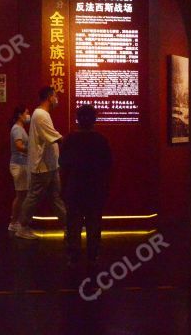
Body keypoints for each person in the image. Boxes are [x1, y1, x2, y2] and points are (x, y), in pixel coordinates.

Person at [60, 104, 113, 267]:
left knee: (74, 223)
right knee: (94, 222)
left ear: (77, 120)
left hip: (75, 186)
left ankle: (73, 255)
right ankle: (93, 254)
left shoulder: (70, 139)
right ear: (94, 120)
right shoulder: (101, 140)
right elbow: (108, 164)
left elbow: (62, 163)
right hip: (95, 187)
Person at [16, 86, 67, 239]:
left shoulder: (42, 114)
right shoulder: (41, 115)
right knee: (33, 197)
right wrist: (71, 143)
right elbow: (54, 136)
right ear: (50, 97)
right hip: (42, 166)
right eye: (55, 96)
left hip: (50, 165)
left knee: (55, 197)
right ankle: (22, 226)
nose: (56, 99)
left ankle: (68, 225)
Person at [8, 105, 31, 232]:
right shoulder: (17, 129)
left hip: (21, 164)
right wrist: (32, 150)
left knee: (22, 195)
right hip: (19, 164)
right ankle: (14, 222)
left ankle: (16, 221)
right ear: (20, 115)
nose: (28, 116)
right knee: (21, 195)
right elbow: (19, 146)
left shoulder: (20, 128)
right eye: (27, 113)